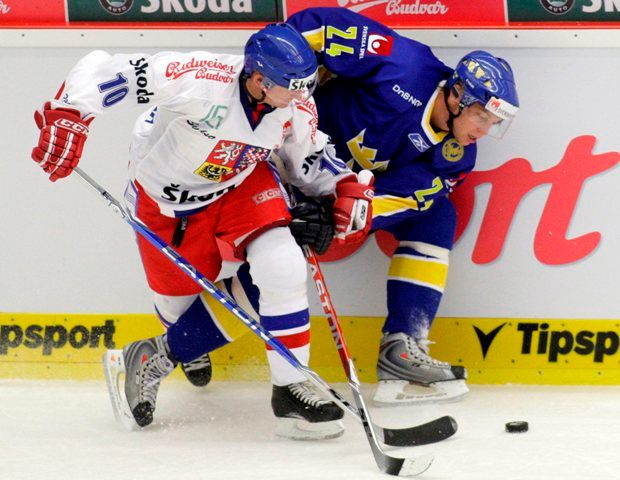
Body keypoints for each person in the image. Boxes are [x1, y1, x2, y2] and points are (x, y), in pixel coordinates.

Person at [29, 22, 375, 439]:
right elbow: (103, 67)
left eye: (307, 85)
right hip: (166, 201)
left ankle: (290, 391)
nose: (303, 97)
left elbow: (304, 162)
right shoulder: (200, 77)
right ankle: (163, 353)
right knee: (179, 317)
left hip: (242, 183)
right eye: (292, 87)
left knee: (282, 264)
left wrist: (344, 187)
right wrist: (71, 114)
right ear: (260, 80)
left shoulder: (294, 107)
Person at [175, 6, 520, 405]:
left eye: (492, 123)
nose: (483, 130)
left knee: (436, 214)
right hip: (279, 152)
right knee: (275, 264)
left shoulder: (456, 156)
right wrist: (287, 91)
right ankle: (174, 347)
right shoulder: (403, 65)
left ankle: (402, 347)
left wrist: (343, 212)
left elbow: (399, 199)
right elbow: (314, 28)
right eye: (481, 115)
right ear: (457, 94)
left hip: (331, 190)